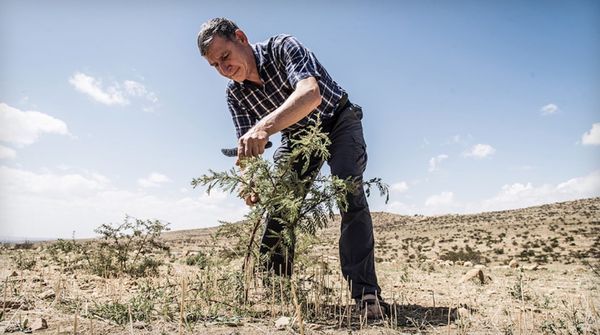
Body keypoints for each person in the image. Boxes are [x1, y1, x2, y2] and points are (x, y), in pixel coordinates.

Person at [197, 17, 387, 318]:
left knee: (348, 195)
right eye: (215, 66)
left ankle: (366, 294)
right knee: (281, 206)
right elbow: (247, 148)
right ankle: (277, 290)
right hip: (297, 137)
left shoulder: (282, 46)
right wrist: (249, 180)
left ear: (241, 38)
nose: (224, 68)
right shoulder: (235, 94)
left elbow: (310, 95)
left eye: (225, 57)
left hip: (338, 121)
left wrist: (264, 126)